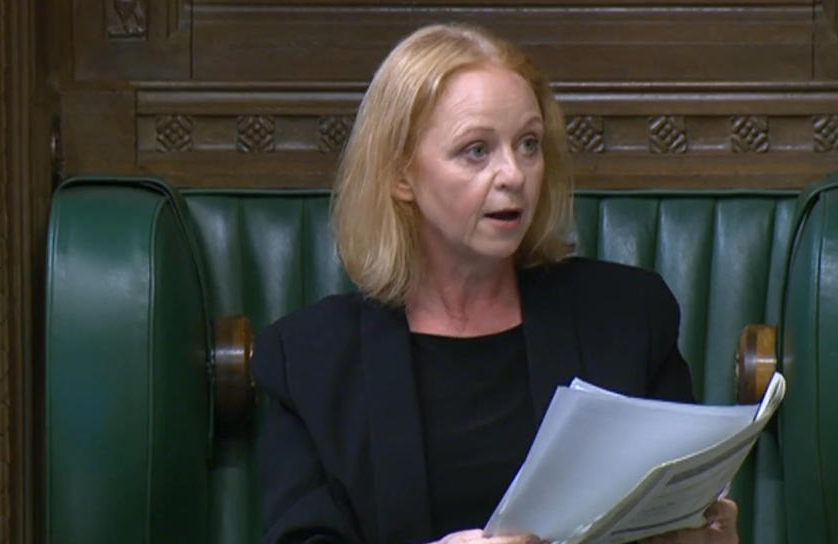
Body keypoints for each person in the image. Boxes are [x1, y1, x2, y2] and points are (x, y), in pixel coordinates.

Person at [252, 23, 739, 544]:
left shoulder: (630, 317)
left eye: (528, 144)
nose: (514, 173)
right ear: (400, 175)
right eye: (476, 150)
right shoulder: (307, 359)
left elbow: (678, 506)